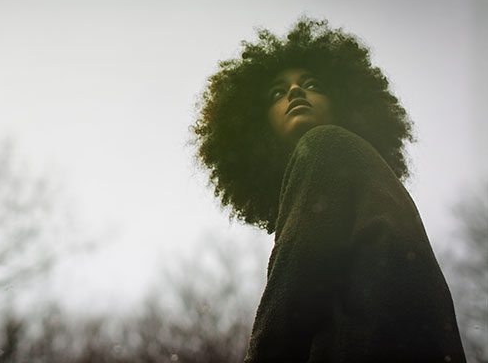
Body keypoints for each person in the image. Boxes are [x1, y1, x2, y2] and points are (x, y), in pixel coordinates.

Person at [192, 18, 466, 362]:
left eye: (312, 84)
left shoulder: (324, 145)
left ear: (343, 102)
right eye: (278, 92)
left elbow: (290, 301)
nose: (295, 92)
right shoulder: (368, 179)